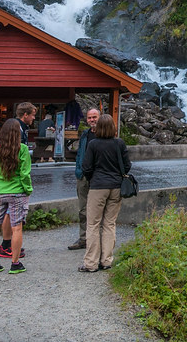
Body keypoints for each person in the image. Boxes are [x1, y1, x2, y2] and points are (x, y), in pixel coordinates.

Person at [79, 113, 130, 273]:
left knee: (93, 224)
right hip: (116, 187)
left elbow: (86, 167)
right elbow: (127, 165)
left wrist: (93, 178)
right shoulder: (119, 143)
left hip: (97, 186)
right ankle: (107, 261)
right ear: (113, 128)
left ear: (99, 128)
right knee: (109, 224)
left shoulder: (93, 144)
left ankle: (91, 263)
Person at [0, 118, 31, 275]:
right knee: (16, 228)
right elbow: (25, 174)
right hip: (17, 192)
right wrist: (28, 189)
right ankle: (15, 263)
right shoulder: (22, 149)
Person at [0, 101, 36, 262]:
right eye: (33, 115)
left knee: (9, 213)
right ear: (25, 115)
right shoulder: (17, 129)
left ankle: (8, 243)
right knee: (11, 214)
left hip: (9, 179)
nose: (34, 118)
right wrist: (27, 186)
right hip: (14, 179)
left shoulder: (21, 128)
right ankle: (7, 245)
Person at [67, 108, 99, 250]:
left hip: (98, 178)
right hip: (83, 176)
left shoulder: (105, 134)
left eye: (94, 117)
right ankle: (83, 238)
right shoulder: (85, 134)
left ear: (100, 117)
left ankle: (96, 240)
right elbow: (80, 153)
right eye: (90, 117)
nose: (92, 120)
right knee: (83, 210)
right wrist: (78, 170)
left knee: (98, 211)